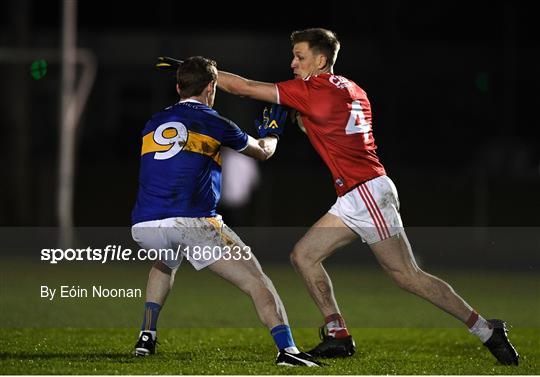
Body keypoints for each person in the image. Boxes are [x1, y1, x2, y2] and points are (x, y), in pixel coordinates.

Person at [212, 28, 519, 365]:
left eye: (300, 57)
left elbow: (242, 88)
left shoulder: (313, 89)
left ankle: (487, 330)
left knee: (407, 275)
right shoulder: (353, 88)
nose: (293, 63)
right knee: (304, 256)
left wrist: (205, 71)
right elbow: (331, 128)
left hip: (365, 191)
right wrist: (300, 119)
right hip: (360, 192)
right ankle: (337, 334)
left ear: (321, 59)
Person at [131, 56, 319, 366]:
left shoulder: (153, 122)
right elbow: (261, 153)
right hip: (192, 221)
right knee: (257, 282)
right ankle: (288, 351)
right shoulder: (215, 122)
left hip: (144, 224)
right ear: (211, 88)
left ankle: (146, 337)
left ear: (178, 87)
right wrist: (272, 134)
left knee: (164, 263)